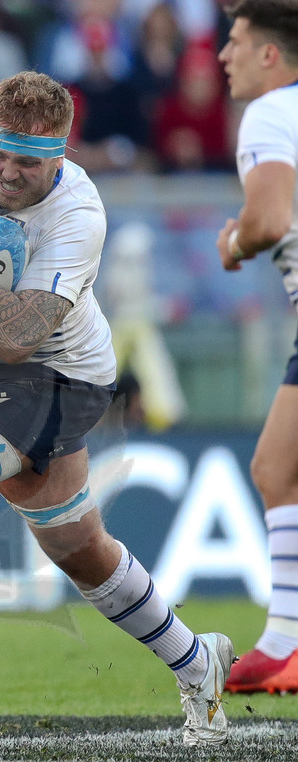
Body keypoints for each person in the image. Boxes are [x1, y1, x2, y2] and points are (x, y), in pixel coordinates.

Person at [0, 70, 235, 746]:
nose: (8, 174)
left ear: (61, 156)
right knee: (77, 546)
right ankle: (196, 657)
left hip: (55, 373)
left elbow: (17, 337)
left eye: (29, 163)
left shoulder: (79, 214)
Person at [215, 0, 298, 694]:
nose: (221, 55)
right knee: (277, 467)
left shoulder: (271, 113)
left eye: (236, 41)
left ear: (270, 54)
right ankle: (282, 641)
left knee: (278, 468)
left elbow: (268, 220)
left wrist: (234, 241)